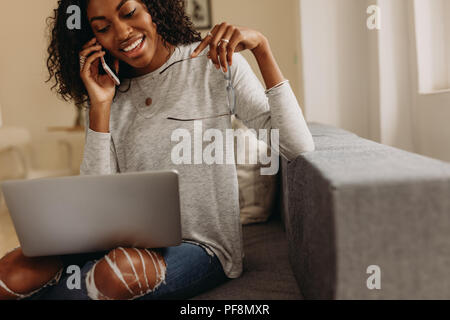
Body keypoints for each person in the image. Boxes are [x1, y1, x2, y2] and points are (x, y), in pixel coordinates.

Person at [0, 0, 315, 300]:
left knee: (117, 272)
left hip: (204, 248)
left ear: (154, 6)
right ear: (90, 39)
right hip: (120, 242)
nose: (122, 33)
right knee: (12, 271)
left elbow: (296, 145)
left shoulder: (214, 64)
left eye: (129, 12)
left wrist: (262, 47)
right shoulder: (108, 90)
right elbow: (95, 200)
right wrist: (99, 105)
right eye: (102, 27)